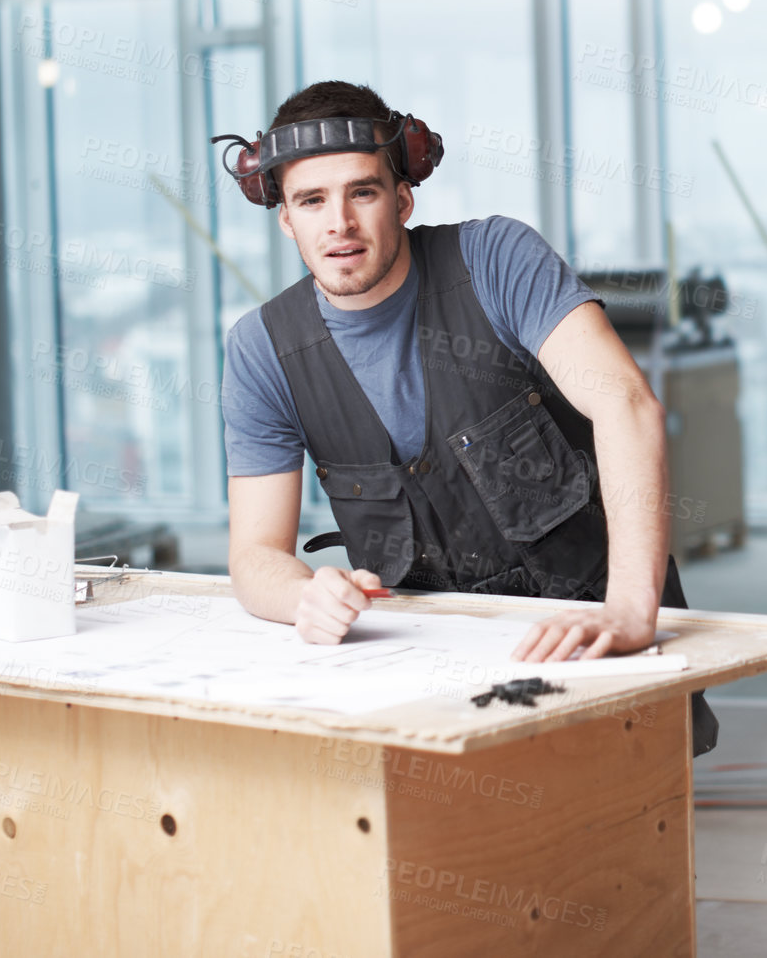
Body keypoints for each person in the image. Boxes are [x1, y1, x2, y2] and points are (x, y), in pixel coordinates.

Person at [216, 79, 717, 754]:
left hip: (585, 637)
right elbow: (254, 555)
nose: (338, 223)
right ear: (286, 218)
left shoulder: (495, 260)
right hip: (429, 673)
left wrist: (629, 609)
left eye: (362, 191)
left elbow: (625, 404)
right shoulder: (264, 349)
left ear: (401, 197)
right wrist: (302, 596)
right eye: (311, 200)